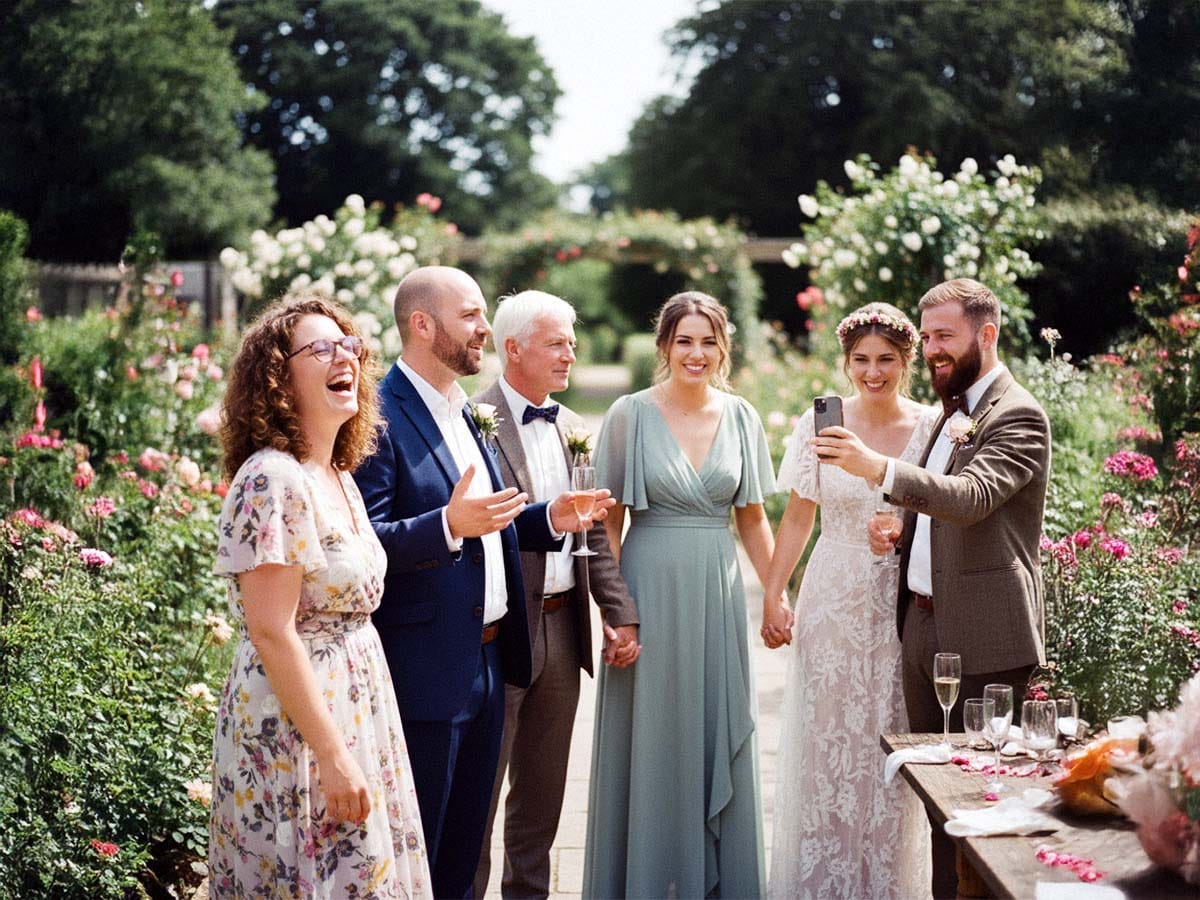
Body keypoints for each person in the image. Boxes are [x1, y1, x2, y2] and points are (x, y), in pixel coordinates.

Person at [353, 266, 612, 900]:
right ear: (422, 325)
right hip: (429, 665)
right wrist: (445, 525)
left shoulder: (464, 411)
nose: (484, 330)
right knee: (428, 845)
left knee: (467, 842)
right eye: (470, 316)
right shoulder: (378, 414)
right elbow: (364, 542)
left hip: (495, 656)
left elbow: (488, 520)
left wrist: (549, 517)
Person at [817, 278, 1050, 898]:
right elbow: (939, 507)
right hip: (922, 627)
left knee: (982, 805)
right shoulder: (953, 408)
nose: (934, 349)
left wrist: (876, 469)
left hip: (984, 634)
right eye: (928, 338)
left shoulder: (1017, 413)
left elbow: (973, 500)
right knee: (937, 803)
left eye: (945, 336)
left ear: (988, 334)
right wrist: (901, 531)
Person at [208, 296, 431, 899]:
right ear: (278, 377)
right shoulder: (271, 478)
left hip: (357, 704)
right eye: (321, 348)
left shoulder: (337, 474)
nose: (346, 358)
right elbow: (272, 631)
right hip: (296, 727)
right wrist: (331, 755)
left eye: (350, 346)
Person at [582, 291, 775, 899]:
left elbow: (753, 519)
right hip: (649, 593)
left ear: (724, 348)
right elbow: (605, 522)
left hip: (716, 597)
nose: (697, 353)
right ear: (664, 347)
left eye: (708, 341)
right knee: (652, 738)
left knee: (719, 724)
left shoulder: (742, 416)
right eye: (684, 341)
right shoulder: (629, 416)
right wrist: (616, 613)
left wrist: (775, 595)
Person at [760, 302, 936, 899]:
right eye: (861, 360)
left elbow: (943, 517)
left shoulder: (932, 428)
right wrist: (774, 592)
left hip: (898, 601)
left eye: (886, 359)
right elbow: (797, 518)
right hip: (832, 595)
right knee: (829, 742)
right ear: (845, 363)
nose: (873, 372)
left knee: (892, 734)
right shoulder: (820, 428)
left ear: (906, 361)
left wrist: (902, 531)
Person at [471, 290, 641, 899]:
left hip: (564, 631)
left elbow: (593, 529)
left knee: (543, 795)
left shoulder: (573, 427)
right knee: (480, 794)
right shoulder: (473, 422)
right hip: (499, 633)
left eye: (572, 341)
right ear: (512, 349)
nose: (571, 354)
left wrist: (618, 615)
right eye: (557, 343)